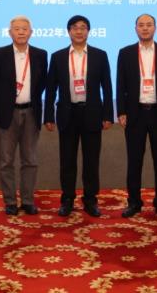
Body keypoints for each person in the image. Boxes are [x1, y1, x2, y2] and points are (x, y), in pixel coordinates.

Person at [44, 15, 113, 217]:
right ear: (69, 31)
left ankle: (90, 200)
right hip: (68, 114)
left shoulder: (100, 55)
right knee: (67, 161)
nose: (79, 31)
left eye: (83, 27)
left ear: (88, 31)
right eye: (75, 27)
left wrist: (108, 114)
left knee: (91, 161)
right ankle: (67, 199)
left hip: (92, 113)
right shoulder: (58, 56)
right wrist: (48, 116)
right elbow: (51, 89)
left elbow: (107, 87)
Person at [116, 14, 157, 220]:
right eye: (141, 25)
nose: (145, 28)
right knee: (134, 161)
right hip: (135, 114)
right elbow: (121, 84)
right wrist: (121, 111)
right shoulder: (125, 53)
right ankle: (134, 202)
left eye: (149, 25)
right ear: (135, 28)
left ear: (155, 28)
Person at [0, 16, 48, 216]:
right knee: (6, 161)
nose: (21, 32)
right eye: (17, 29)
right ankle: (10, 202)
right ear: (10, 32)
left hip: (31, 112)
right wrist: (3, 107)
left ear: (31, 32)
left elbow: (42, 83)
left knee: (30, 159)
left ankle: (28, 200)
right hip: (8, 113)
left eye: (25, 29)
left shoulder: (40, 54)